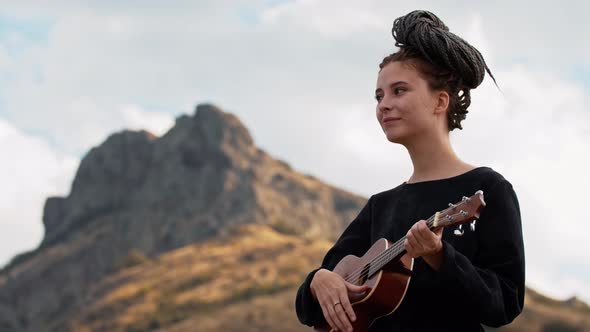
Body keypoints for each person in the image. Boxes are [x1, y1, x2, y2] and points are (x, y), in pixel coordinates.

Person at [294, 9, 525, 332]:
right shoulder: (380, 205)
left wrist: (441, 256)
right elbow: (317, 294)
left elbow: (505, 302)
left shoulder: (488, 188)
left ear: (440, 102)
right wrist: (318, 281)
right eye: (379, 95)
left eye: (398, 90)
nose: (383, 104)